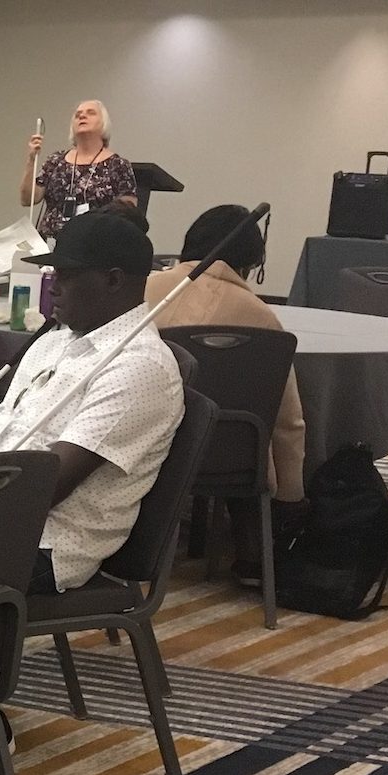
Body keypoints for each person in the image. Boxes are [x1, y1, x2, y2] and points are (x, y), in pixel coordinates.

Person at [0, 211, 183, 775]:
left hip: (47, 542)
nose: (52, 287)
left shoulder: (140, 368)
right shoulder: (55, 341)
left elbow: (41, 489)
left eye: (66, 276)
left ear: (113, 280)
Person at [145, 204, 307, 584]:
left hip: (144, 449)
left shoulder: (144, 291)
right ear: (250, 262)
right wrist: (291, 497)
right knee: (252, 433)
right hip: (230, 459)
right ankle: (253, 554)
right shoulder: (263, 318)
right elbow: (287, 422)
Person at [21, 100, 139, 240]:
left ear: (104, 124)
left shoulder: (118, 165)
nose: (82, 116)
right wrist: (31, 160)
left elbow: (128, 217)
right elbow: (27, 199)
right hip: (50, 244)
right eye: (78, 115)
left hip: (94, 245)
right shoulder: (56, 160)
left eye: (91, 113)